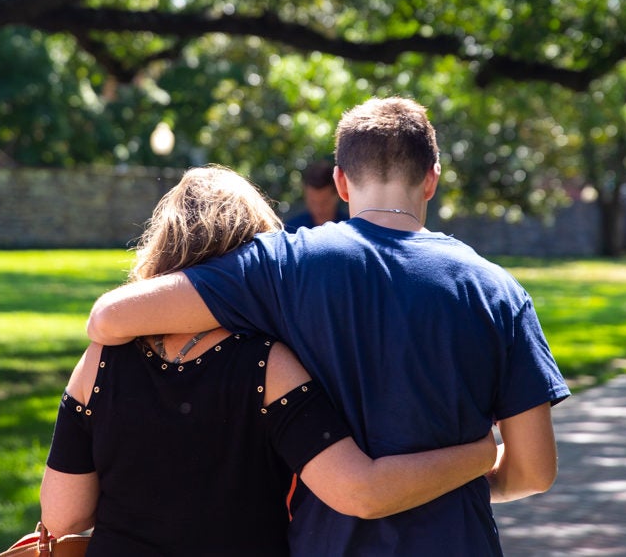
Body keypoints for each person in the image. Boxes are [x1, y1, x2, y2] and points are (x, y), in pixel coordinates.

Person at [86, 97, 568, 555]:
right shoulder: (498, 291)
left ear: (340, 182)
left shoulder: (286, 266)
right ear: (431, 179)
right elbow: (533, 471)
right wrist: (462, 466)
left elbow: (109, 317)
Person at [40, 165, 497, 554]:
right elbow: (360, 491)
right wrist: (482, 453)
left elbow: (62, 516)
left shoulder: (101, 360)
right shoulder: (268, 365)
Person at [284, 159, 350, 231]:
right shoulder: (292, 232)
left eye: (325, 202)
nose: (318, 209)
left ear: (338, 194)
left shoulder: (350, 228)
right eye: (313, 202)